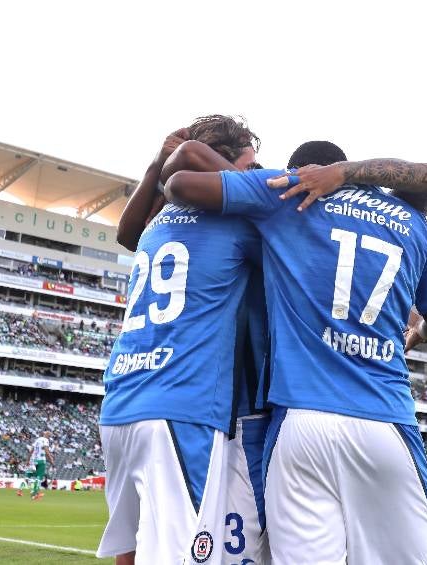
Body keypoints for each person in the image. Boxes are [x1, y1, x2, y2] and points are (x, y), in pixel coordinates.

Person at [163, 145, 427, 564]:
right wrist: (416, 334)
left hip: (301, 423)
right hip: (385, 421)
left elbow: (181, 184)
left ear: (304, 168)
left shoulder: (288, 193)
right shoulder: (411, 221)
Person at [98, 116, 268, 565]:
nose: (254, 176)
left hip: (122, 402)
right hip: (181, 407)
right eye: (249, 167)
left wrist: (157, 165)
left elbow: (125, 235)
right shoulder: (238, 221)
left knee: (131, 550)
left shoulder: (157, 221)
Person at [23, 431, 53, 501]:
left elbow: (31, 450)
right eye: (49, 435)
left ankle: (33, 492)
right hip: (41, 461)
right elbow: (46, 450)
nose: (49, 437)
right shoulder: (45, 440)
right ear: (47, 435)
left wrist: (28, 460)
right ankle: (34, 493)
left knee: (29, 475)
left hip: (33, 460)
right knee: (39, 478)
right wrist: (51, 459)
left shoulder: (37, 440)